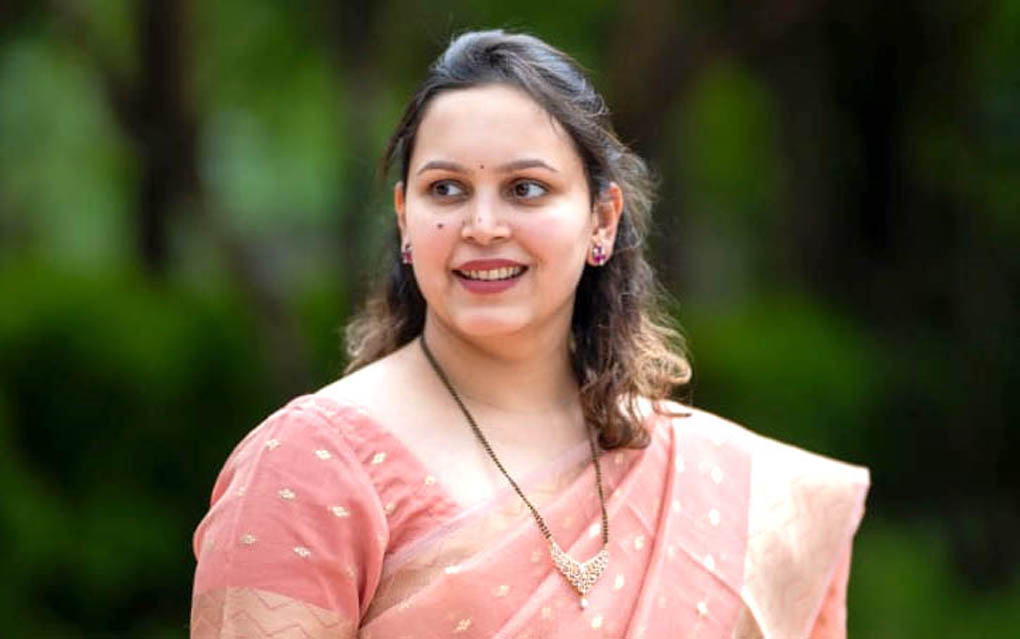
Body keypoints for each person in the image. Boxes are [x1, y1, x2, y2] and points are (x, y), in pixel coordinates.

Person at [189, 30, 869, 638]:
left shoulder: (708, 480)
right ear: (403, 219)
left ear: (602, 219)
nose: (483, 226)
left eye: (526, 189)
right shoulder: (310, 465)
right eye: (446, 189)